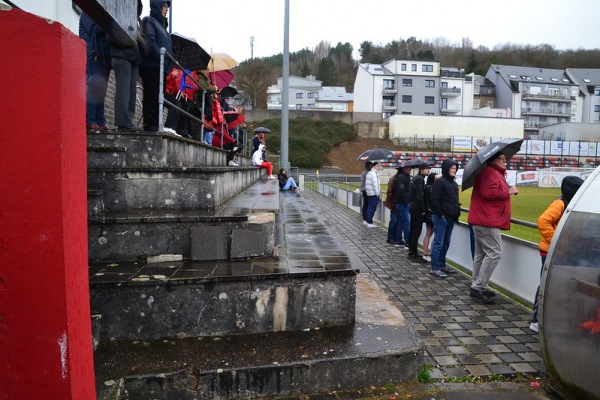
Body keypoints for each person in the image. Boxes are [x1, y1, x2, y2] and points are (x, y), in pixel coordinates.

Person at [530, 175, 584, 332]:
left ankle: (551, 318)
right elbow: (543, 221)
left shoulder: (569, 202)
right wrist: (557, 241)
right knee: (546, 286)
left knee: (558, 285)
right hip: (551, 251)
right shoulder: (560, 203)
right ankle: (536, 320)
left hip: (562, 251)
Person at [468, 152, 519, 304]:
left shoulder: (491, 172)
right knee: (494, 253)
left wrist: (506, 188)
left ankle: (477, 285)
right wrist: (508, 191)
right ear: (492, 160)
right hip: (487, 220)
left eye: (505, 158)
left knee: (481, 254)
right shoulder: (489, 172)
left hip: (483, 219)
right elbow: (488, 192)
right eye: (501, 159)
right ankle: (478, 286)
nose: (505, 161)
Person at [108, 0, 143, 133]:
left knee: (131, 91)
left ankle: (128, 121)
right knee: (123, 89)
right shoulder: (117, 14)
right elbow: (111, 36)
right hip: (121, 56)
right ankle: (123, 122)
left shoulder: (136, 20)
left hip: (132, 58)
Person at [138, 0, 172, 132]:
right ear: (157, 6)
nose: (167, 9)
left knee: (159, 97)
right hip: (151, 66)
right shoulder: (149, 21)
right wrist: (161, 57)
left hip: (161, 66)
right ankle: (150, 124)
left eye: (168, 6)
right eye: (164, 5)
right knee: (151, 95)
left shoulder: (163, 27)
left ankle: (156, 124)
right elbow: (150, 41)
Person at [79, 12, 114, 133]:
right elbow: (92, 30)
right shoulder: (87, 12)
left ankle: (100, 121)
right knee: (93, 88)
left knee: (101, 91)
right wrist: (107, 21)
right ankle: (90, 121)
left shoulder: (99, 14)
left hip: (103, 57)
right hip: (93, 55)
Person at [429, 159, 460, 278]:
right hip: (441, 218)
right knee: (438, 243)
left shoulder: (454, 184)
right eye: (451, 168)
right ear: (446, 169)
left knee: (446, 243)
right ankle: (434, 267)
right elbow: (434, 200)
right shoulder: (440, 182)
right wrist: (441, 214)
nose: (454, 170)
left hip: (451, 218)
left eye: (455, 168)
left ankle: (441, 265)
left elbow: (454, 201)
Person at [408, 163, 431, 262]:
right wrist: (423, 209)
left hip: (413, 207)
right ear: (422, 170)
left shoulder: (415, 178)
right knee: (416, 231)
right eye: (427, 169)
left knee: (413, 230)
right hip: (417, 208)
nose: (428, 171)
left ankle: (412, 251)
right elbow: (419, 196)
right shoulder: (420, 179)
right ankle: (413, 253)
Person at [394, 163, 412, 247]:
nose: (410, 169)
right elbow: (401, 191)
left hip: (401, 203)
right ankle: (407, 242)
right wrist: (407, 201)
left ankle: (398, 240)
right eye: (409, 167)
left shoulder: (403, 177)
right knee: (406, 222)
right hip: (403, 203)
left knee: (401, 222)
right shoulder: (402, 177)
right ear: (404, 168)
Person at [421, 172, 438, 262]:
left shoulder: (427, 188)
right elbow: (433, 201)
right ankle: (428, 253)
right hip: (432, 213)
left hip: (429, 213)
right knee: (432, 234)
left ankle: (426, 253)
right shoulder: (430, 188)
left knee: (429, 233)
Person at [364, 162, 381, 228]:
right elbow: (375, 184)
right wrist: (377, 193)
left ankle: (368, 221)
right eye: (377, 166)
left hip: (370, 193)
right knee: (372, 208)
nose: (378, 167)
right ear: (374, 166)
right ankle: (369, 222)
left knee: (369, 207)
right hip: (373, 194)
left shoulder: (369, 173)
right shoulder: (374, 173)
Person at [384, 168, 399, 243]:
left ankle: (394, 237)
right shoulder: (394, 179)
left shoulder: (396, 179)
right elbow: (389, 192)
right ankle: (390, 237)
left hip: (396, 203)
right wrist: (392, 203)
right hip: (394, 203)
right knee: (394, 220)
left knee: (396, 220)